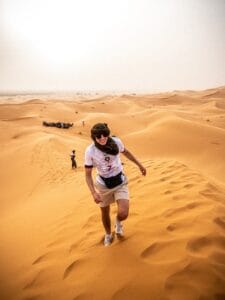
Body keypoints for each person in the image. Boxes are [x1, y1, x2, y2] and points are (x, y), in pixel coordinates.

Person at [84, 123, 146, 246]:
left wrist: (140, 165)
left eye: (104, 135)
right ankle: (108, 234)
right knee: (105, 212)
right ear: (94, 137)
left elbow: (126, 153)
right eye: (98, 136)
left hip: (120, 181)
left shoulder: (116, 142)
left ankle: (118, 223)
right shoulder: (90, 151)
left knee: (123, 213)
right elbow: (87, 174)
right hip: (103, 184)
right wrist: (93, 193)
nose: (102, 138)